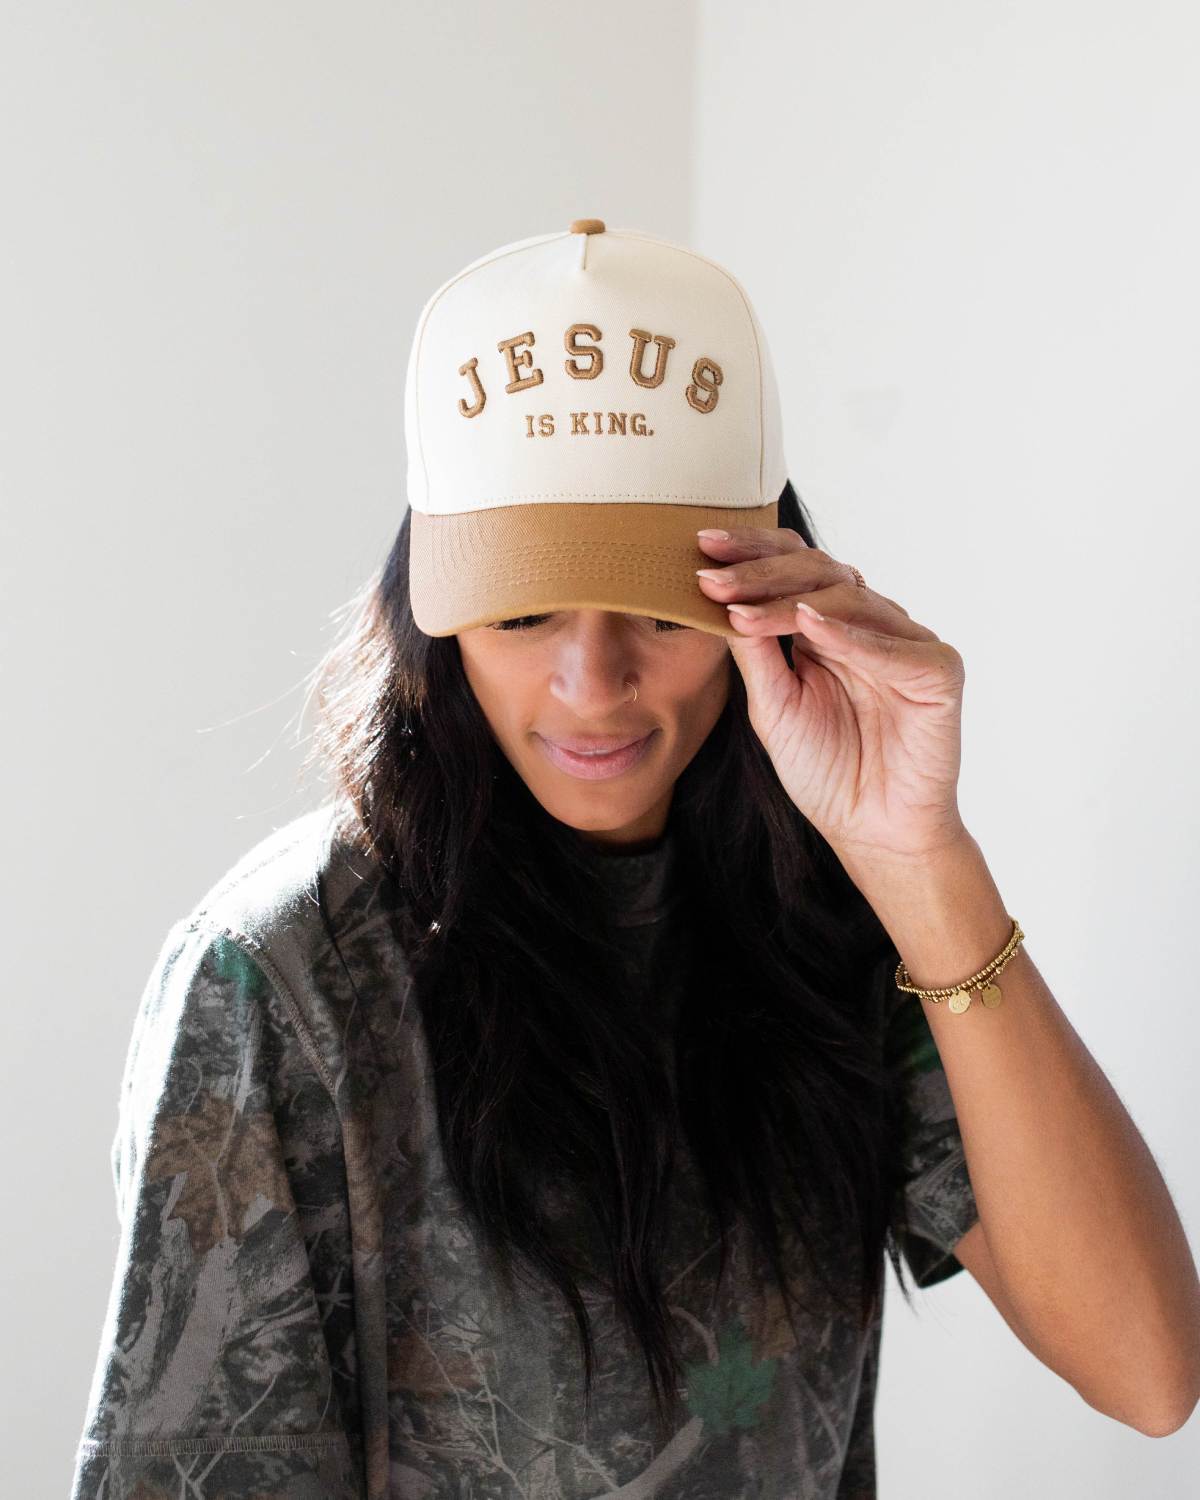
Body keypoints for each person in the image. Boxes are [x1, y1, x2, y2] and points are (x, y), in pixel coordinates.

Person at [69, 221, 1200, 1499]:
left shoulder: (836, 913)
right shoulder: (281, 976)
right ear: (433, 619)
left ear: (774, 601)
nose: (592, 682)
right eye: (523, 611)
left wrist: (922, 857)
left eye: (661, 611)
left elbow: (1148, 1371)